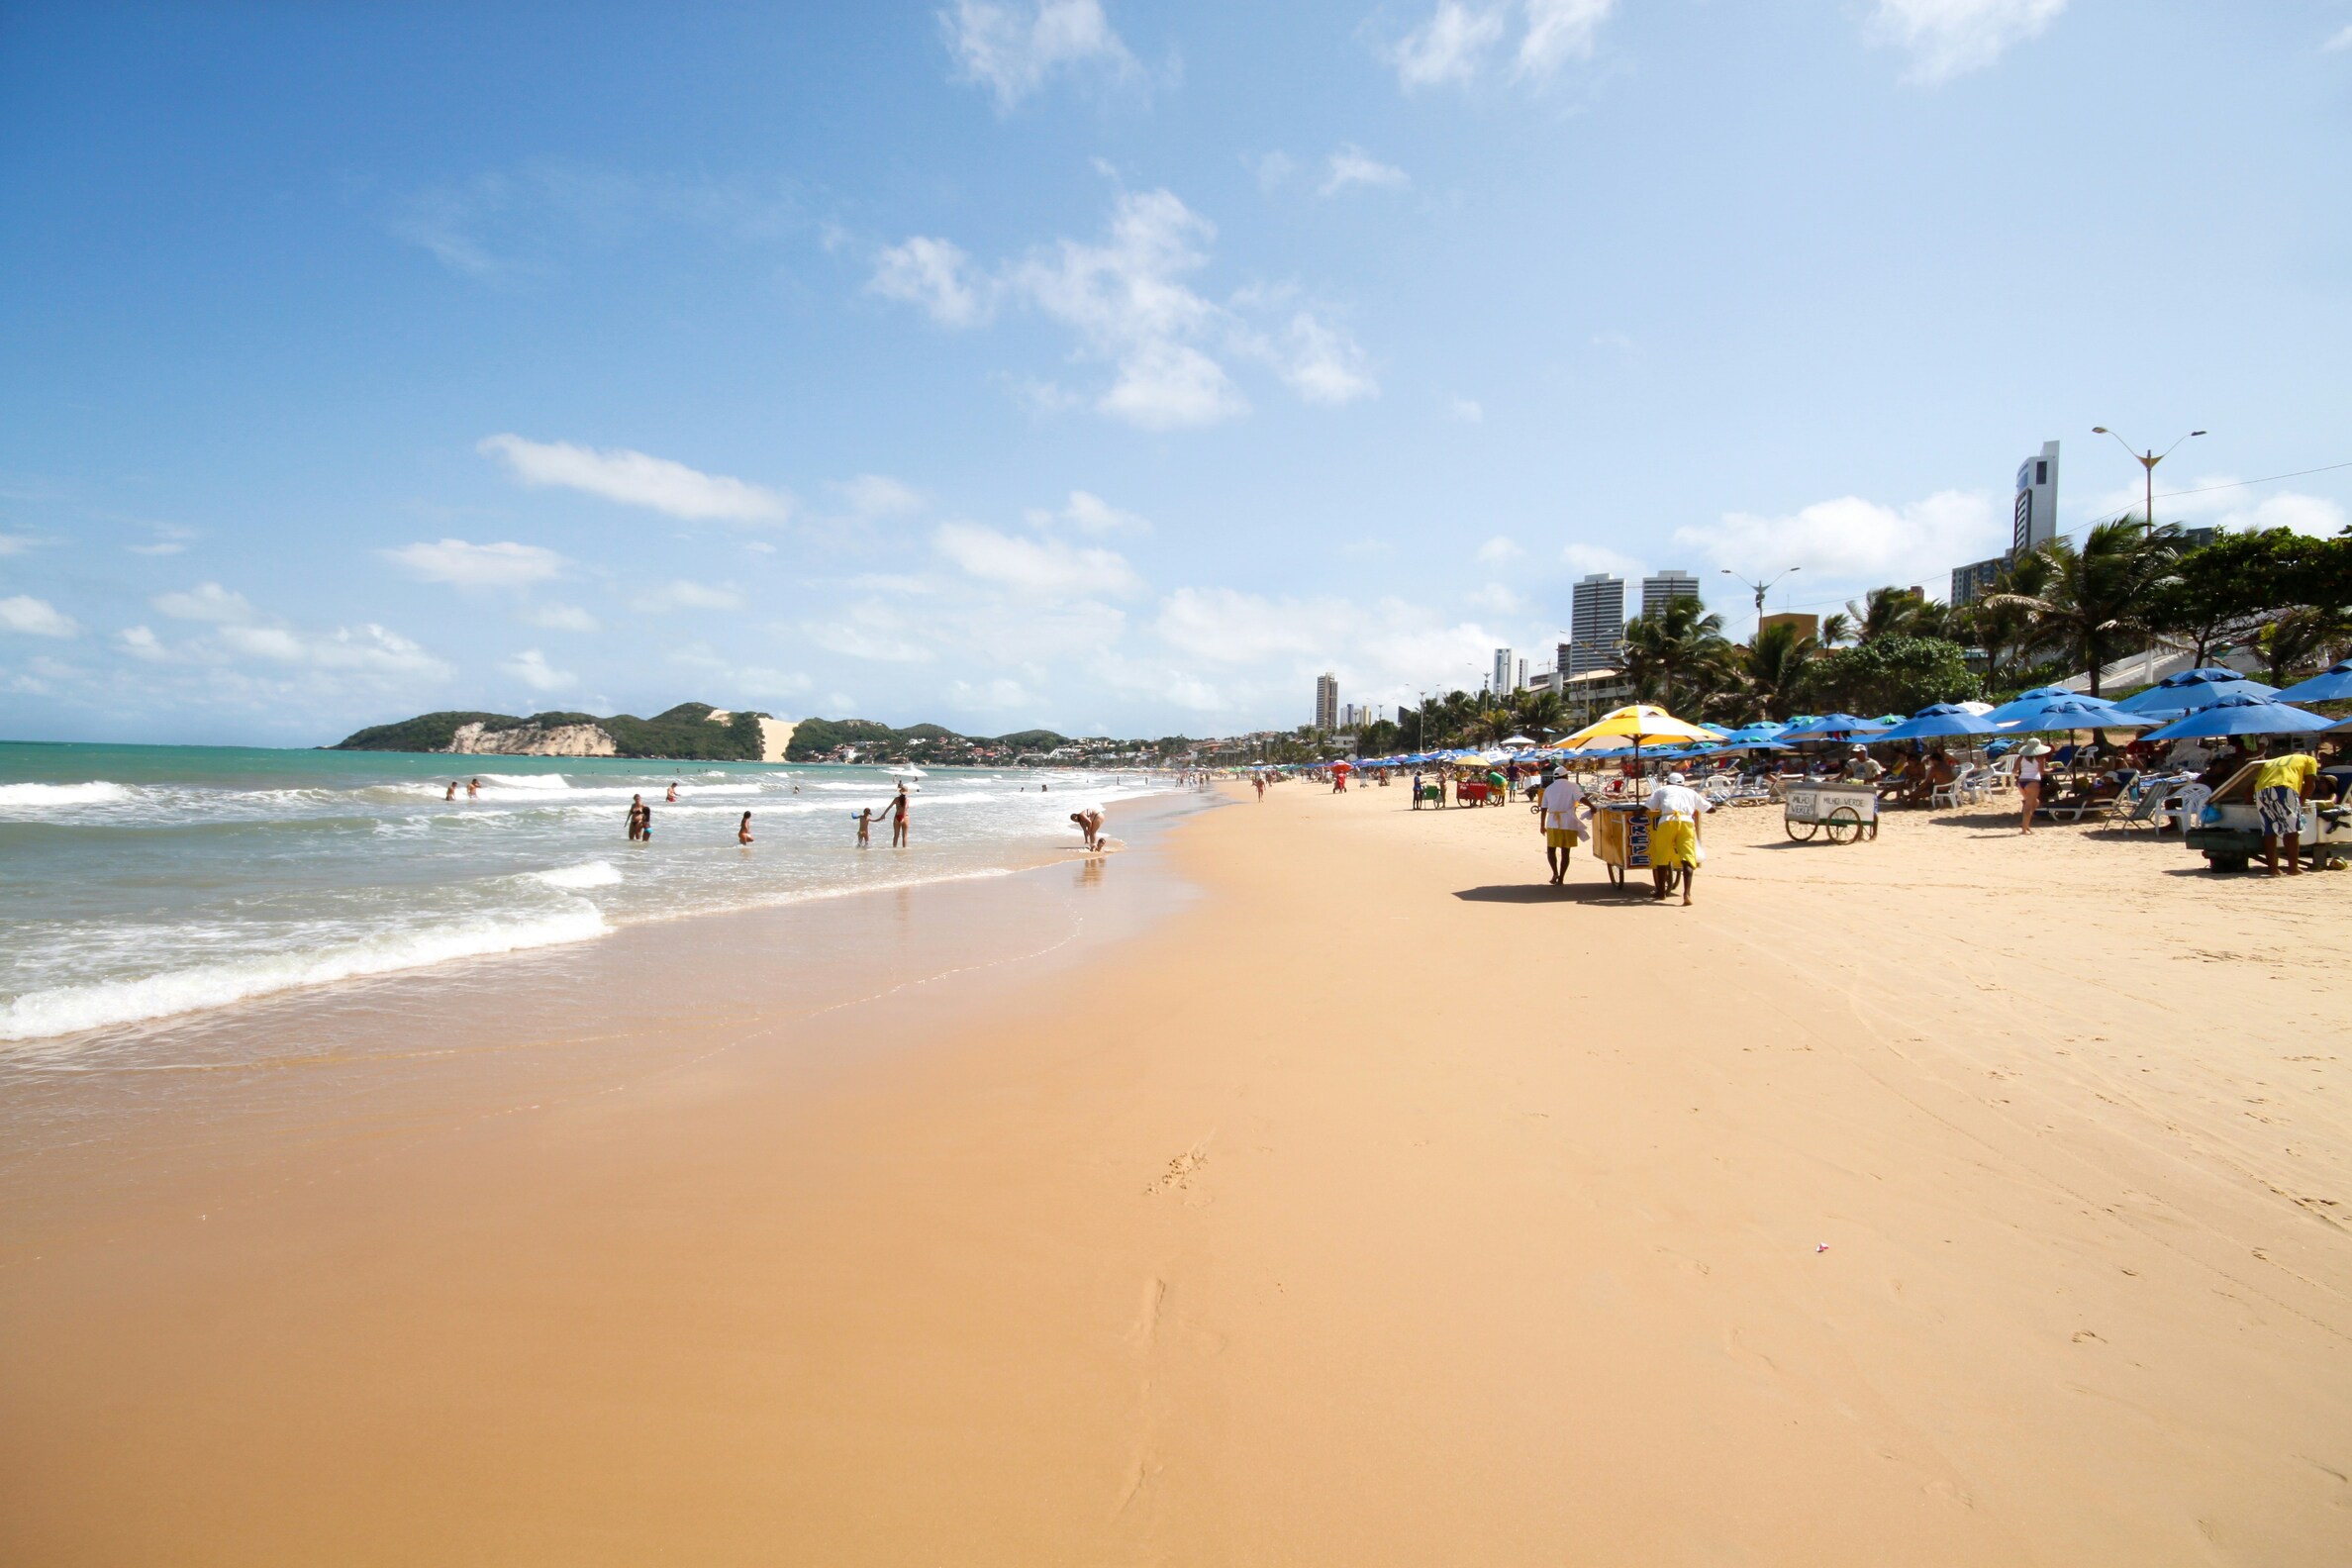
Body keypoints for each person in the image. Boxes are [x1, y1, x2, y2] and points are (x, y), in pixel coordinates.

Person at [2252, 741, 2321, 877]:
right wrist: (2300, 803)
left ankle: (2273, 869)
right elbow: (2310, 785)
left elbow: (2252, 784)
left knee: (2269, 829)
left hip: (2261, 790)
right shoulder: (2310, 759)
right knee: (2291, 830)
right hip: (2284, 787)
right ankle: (2293, 868)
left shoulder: (2273, 762)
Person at [1643, 769, 1711, 906]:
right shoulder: (1691, 792)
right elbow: (1710, 809)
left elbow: (1647, 807)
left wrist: (1637, 812)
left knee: (1662, 857)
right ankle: (1687, 894)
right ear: (1683, 783)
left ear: (1668, 781)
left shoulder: (1662, 790)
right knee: (1687, 858)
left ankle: (1661, 892)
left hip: (1666, 821)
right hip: (1686, 823)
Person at [1538, 769, 1588, 885]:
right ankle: (1561, 878)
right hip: (1568, 822)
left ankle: (1555, 872)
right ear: (1565, 776)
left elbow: (1543, 808)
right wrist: (1592, 806)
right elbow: (1581, 798)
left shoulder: (1549, 788)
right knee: (1565, 852)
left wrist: (1541, 825)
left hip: (1552, 822)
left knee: (1551, 849)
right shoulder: (1573, 786)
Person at [2014, 739, 2048, 833]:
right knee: (2028, 806)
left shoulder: (2021, 757)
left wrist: (2023, 773)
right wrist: (2052, 769)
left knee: (2035, 802)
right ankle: (2024, 829)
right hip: (2033, 782)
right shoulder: (2040, 758)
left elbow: (2014, 771)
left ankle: (2025, 823)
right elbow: (2042, 771)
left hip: (2021, 782)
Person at [885, 783, 910, 847]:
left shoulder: (896, 799)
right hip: (905, 817)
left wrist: (883, 815)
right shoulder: (907, 800)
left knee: (896, 835)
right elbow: (905, 808)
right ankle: (904, 851)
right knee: (904, 836)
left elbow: (889, 807)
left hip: (897, 817)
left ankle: (894, 849)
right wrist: (903, 818)